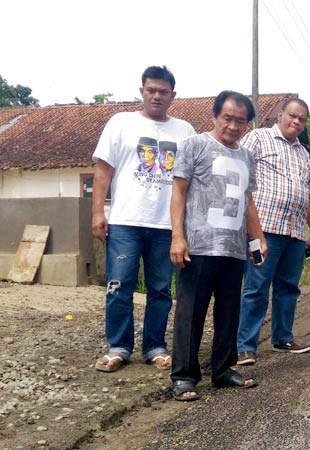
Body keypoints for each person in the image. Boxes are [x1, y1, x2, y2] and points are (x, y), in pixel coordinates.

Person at [91, 66, 196, 373]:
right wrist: (98, 211)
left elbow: (190, 179)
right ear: (142, 91)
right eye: (151, 90)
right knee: (118, 284)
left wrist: (185, 227)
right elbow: (103, 170)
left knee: (161, 289)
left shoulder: (185, 131)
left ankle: (155, 345)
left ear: (173, 95)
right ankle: (119, 346)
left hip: (167, 225)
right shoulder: (120, 123)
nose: (157, 96)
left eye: (163, 91)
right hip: (125, 221)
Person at [169, 90, 266, 401]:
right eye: (228, 118)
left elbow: (247, 201)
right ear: (214, 116)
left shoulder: (246, 156)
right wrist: (177, 236)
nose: (234, 126)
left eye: (241, 121)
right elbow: (178, 193)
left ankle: (223, 370)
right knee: (190, 313)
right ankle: (184, 376)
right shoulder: (195, 145)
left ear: (248, 124)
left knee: (229, 312)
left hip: (233, 248)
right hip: (198, 246)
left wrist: (258, 237)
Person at [236, 98, 310, 365]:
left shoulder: (304, 154)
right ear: (280, 115)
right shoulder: (257, 139)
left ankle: (283, 338)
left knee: (288, 287)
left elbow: (309, 195)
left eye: (302, 119)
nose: (296, 121)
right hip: (263, 229)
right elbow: (240, 176)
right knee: (256, 287)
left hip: (294, 232)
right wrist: (249, 229)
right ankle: (245, 346)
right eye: (292, 116)